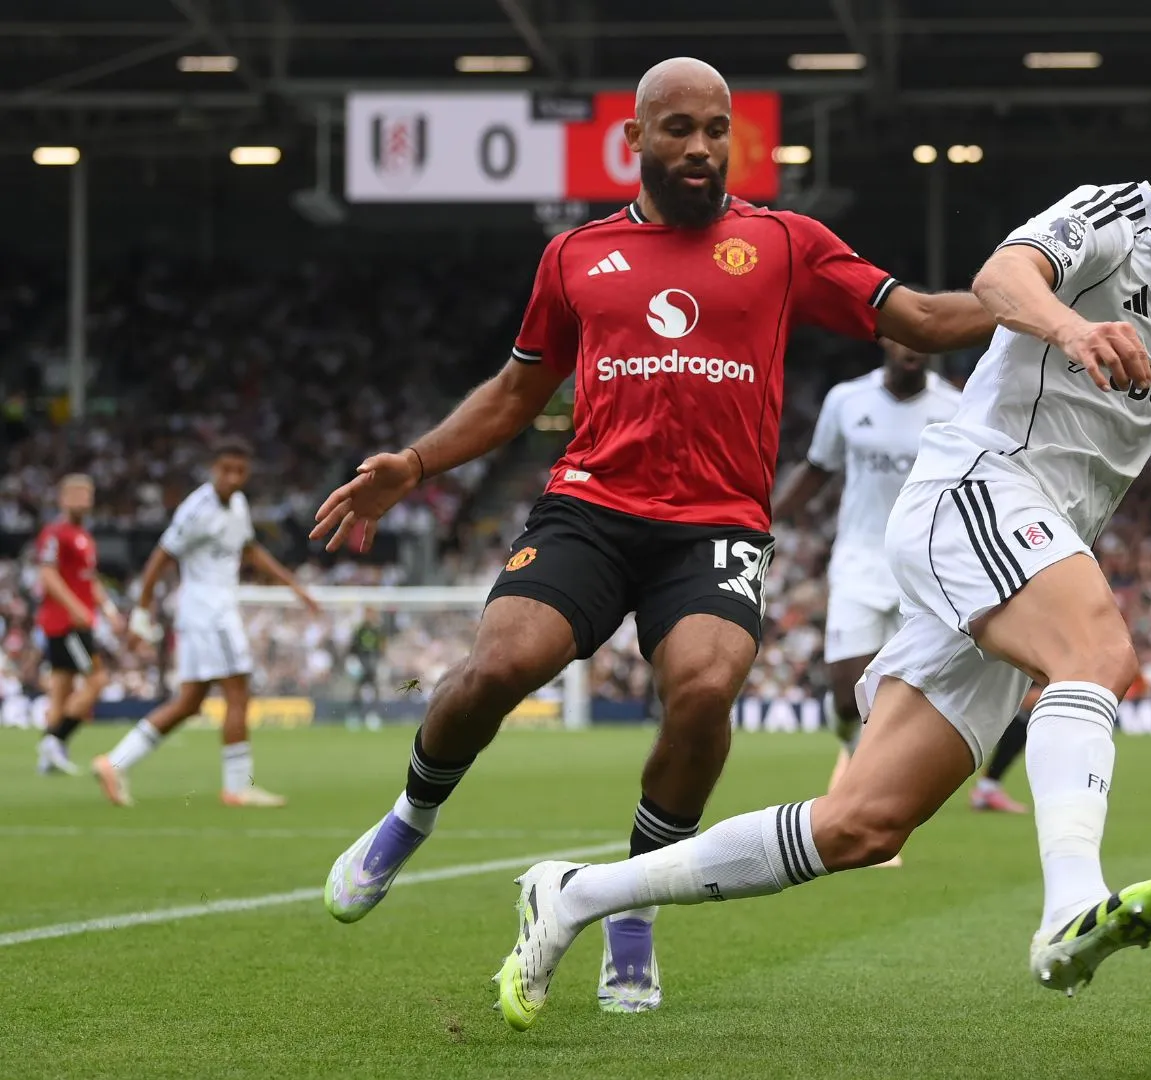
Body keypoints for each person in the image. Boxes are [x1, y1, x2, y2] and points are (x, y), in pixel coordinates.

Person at [491, 60, 1151, 1032]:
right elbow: (1001, 276)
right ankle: (1069, 910)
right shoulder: (1108, 218)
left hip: (1038, 540)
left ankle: (577, 893)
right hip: (976, 490)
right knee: (1097, 654)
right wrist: (1071, 328)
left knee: (860, 823)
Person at [311, 56, 994, 1015]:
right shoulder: (577, 257)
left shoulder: (785, 242)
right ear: (634, 141)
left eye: (717, 129)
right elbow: (517, 393)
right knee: (498, 667)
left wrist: (1040, 303)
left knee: (706, 688)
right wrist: (415, 465)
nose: (702, 147)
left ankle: (630, 913)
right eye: (679, 128)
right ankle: (408, 819)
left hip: (714, 522)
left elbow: (919, 315)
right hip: (590, 509)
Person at [770, 337, 966, 853]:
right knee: (843, 691)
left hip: (923, 565)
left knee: (899, 695)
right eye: (904, 334)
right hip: (858, 560)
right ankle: (850, 750)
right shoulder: (846, 400)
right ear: (885, 340)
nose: (913, 346)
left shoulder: (954, 406)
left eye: (922, 339)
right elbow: (817, 468)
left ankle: (874, 794)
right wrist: (765, 521)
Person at [93, 439, 320, 807]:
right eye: (226, 469)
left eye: (239, 471)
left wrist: (294, 587)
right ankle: (237, 786)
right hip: (209, 614)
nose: (232, 477)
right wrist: (141, 612)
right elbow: (159, 558)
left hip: (209, 613)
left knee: (188, 703)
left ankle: (113, 762)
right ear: (214, 469)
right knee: (238, 691)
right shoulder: (196, 509)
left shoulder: (239, 505)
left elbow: (249, 549)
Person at [33, 474, 122, 776]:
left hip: (77, 620)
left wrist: (108, 609)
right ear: (63, 498)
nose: (84, 500)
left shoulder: (84, 537)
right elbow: (47, 574)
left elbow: (89, 579)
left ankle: (50, 759)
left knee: (62, 688)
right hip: (66, 623)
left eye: (88, 494)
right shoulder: (55, 533)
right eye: (77, 494)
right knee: (96, 681)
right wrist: (76, 607)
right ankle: (54, 739)